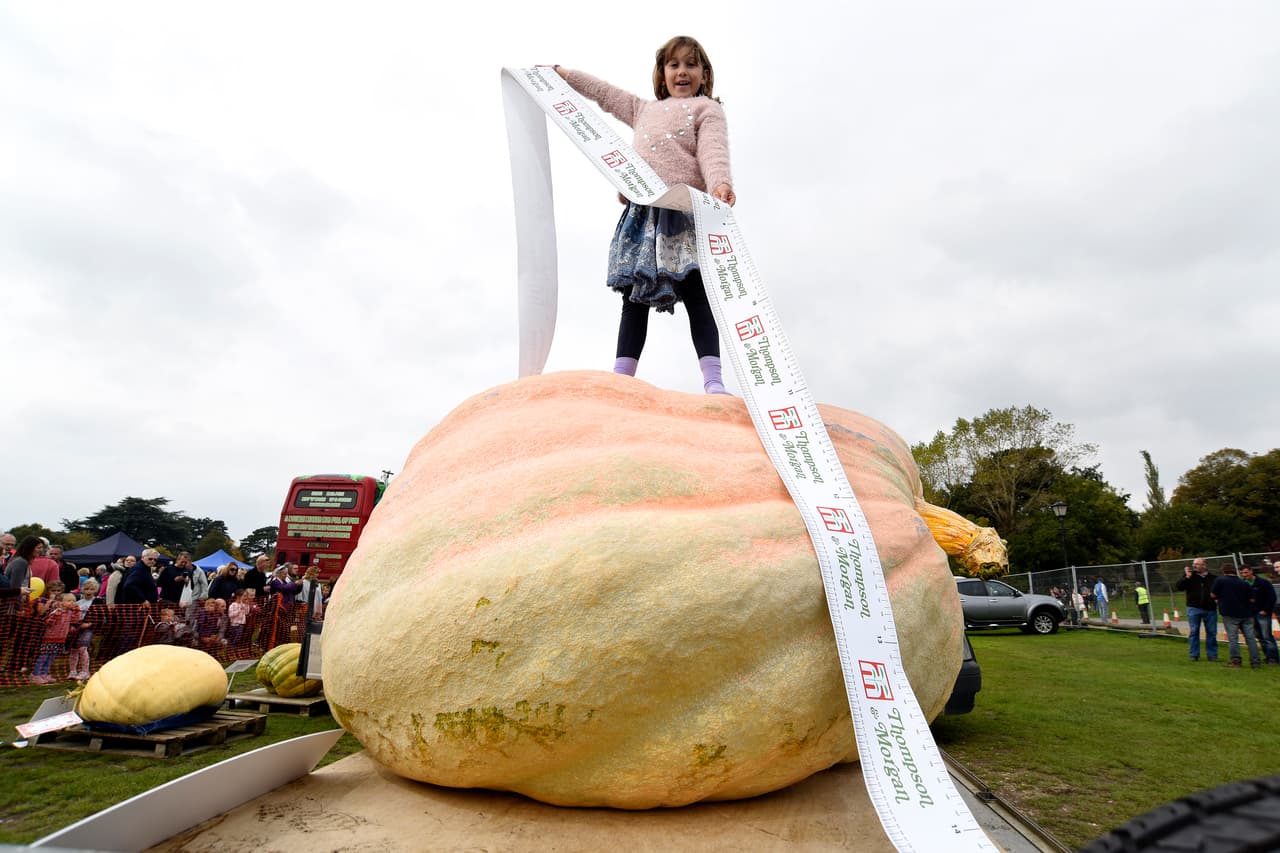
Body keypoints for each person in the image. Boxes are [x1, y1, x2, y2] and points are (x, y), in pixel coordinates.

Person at [552, 36, 737, 394]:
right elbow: (603, 93)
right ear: (662, 72)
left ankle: (714, 382)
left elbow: (713, 153)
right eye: (674, 65)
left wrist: (720, 185)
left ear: (704, 72)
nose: (682, 72)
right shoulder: (642, 109)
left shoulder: (706, 110)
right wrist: (563, 75)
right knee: (633, 298)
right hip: (642, 216)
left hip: (681, 215)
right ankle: (622, 378)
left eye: (690, 64)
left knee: (697, 295)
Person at [1210, 565, 1260, 668]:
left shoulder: (1220, 580)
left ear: (1224, 572)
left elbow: (1213, 595)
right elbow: (1252, 599)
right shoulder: (1243, 583)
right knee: (1250, 638)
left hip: (1230, 613)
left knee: (1233, 638)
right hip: (1246, 614)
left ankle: (1236, 661)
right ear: (1235, 572)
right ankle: (1255, 661)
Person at [1175, 558, 1219, 662]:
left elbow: (1218, 591)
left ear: (1204, 565)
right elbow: (1179, 587)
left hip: (1210, 608)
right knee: (1194, 631)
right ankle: (1194, 654)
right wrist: (1187, 577)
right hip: (1194, 608)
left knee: (1212, 632)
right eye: (1194, 564)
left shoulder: (1213, 578)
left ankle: (1212, 655)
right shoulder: (1190, 577)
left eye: (1198, 564)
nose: (1195, 566)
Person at [32, 590, 79, 684]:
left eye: (73, 601)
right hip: (49, 638)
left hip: (60, 639)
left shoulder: (70, 613)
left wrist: (77, 611)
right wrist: (55, 617)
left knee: (51, 657)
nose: (72, 603)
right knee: (44, 656)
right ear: (61, 602)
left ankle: (45, 674)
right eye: (69, 601)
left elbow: (75, 620)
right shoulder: (57, 611)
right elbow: (47, 622)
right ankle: (35, 674)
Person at [1240, 564, 1279, 665]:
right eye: (1242, 573)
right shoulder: (1243, 584)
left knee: (1267, 636)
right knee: (1259, 636)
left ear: (1251, 571)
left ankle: (1273, 658)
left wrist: (1266, 610)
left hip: (1262, 613)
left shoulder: (1263, 583)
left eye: (1246, 572)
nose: (1245, 575)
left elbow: (1271, 597)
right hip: (1250, 614)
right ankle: (1267, 655)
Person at [69, 578, 101, 680]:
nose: (88, 591)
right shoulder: (78, 602)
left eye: (91, 589)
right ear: (83, 589)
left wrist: (89, 624)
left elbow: (98, 616)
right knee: (73, 649)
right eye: (86, 589)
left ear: (95, 590)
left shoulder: (97, 602)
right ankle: (72, 671)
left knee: (83, 648)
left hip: (88, 628)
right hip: (76, 627)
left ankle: (85, 671)